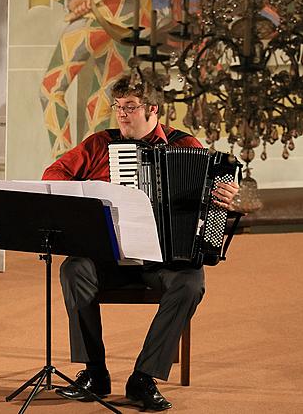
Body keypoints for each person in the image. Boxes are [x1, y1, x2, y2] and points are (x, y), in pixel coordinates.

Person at [42, 75, 239, 411]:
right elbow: (53, 175)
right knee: (74, 270)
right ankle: (94, 373)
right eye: (118, 107)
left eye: (130, 108)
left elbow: (215, 198)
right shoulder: (98, 144)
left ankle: (143, 378)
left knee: (191, 284)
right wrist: (91, 193)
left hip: (164, 259)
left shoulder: (187, 147)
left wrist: (224, 196)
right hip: (110, 256)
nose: (121, 115)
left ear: (152, 109)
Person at [38, 0, 167, 159]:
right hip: (120, 15)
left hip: (123, 15)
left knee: (89, 99)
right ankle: (80, 169)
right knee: (96, 102)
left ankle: (72, 169)